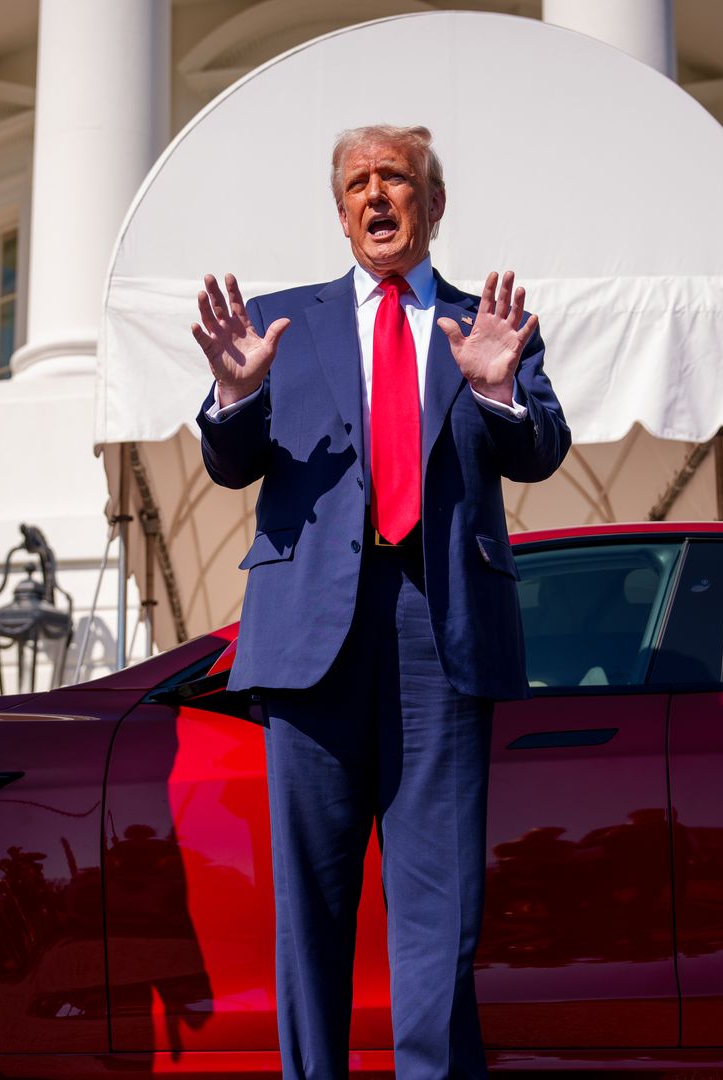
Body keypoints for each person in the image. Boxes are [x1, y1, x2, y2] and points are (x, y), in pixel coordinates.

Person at [192, 124, 570, 1080]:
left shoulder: (488, 323)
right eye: (357, 182)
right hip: (309, 634)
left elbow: (540, 449)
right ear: (340, 209)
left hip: (439, 633)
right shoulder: (281, 321)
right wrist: (235, 398)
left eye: (395, 178)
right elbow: (232, 464)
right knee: (308, 912)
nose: (376, 196)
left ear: (431, 204)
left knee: (440, 915)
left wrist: (498, 392)